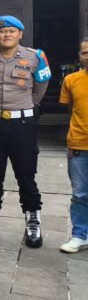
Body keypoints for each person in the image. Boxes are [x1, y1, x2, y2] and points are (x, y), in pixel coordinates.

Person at [0, 15, 51, 247]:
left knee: (26, 174)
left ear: (20, 34)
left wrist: (25, 105)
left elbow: (40, 87)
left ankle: (32, 220)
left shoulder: (36, 57)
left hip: (22, 124)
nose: (7, 34)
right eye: (2, 31)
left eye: (12, 31)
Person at [59, 38, 88, 253]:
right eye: (85, 52)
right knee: (80, 194)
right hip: (79, 145)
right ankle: (80, 235)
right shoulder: (71, 80)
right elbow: (71, 110)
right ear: (80, 57)